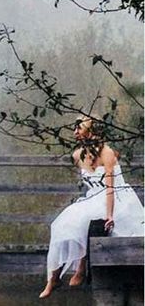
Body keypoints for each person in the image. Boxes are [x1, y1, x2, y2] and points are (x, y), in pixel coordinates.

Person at [39, 116, 144, 299]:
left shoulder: (107, 152)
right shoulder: (77, 155)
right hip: (95, 197)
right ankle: (53, 277)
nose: (75, 133)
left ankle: (81, 267)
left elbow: (111, 188)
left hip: (118, 198)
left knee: (91, 218)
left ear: (90, 131)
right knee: (62, 222)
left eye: (78, 129)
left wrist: (110, 215)